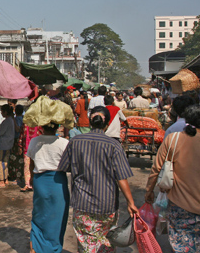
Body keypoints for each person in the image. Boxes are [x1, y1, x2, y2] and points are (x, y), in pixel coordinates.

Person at [58, 106, 138, 253]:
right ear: (107, 124)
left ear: (89, 122)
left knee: (87, 243)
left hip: (82, 204)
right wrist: (130, 202)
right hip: (107, 204)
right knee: (106, 241)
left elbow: (64, 167)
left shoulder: (75, 141)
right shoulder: (114, 145)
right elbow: (122, 177)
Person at [145, 105, 200, 252]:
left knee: (183, 246)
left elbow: (156, 168)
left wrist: (149, 190)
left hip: (180, 206)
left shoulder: (173, 139)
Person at [27, 123, 69, 253]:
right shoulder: (64, 142)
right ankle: (53, 248)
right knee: (58, 217)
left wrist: (32, 178)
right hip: (58, 182)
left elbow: (31, 161)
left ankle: (36, 248)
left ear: (42, 127)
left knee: (39, 215)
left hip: (40, 181)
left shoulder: (35, 141)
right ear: (57, 127)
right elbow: (69, 164)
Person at [8, 104, 25, 183]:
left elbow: (18, 129)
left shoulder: (17, 119)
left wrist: (13, 120)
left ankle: (16, 176)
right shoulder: (24, 119)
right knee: (20, 159)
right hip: (21, 141)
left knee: (15, 159)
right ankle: (20, 175)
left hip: (16, 140)